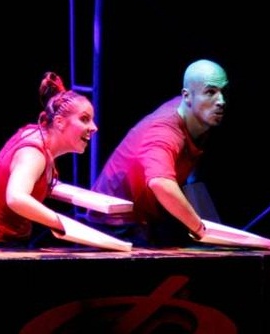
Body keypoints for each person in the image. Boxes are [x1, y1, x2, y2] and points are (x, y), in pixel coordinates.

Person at [85, 58, 229, 247]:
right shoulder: (164, 132)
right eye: (210, 92)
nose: (221, 101)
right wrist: (202, 230)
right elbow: (160, 183)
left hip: (146, 214)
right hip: (114, 221)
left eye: (223, 91)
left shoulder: (197, 117)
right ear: (187, 96)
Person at [0, 71, 98, 247]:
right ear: (59, 122)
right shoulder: (33, 153)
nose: (94, 127)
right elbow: (16, 197)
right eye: (84, 119)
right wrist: (64, 224)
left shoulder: (39, 134)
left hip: (3, 238)